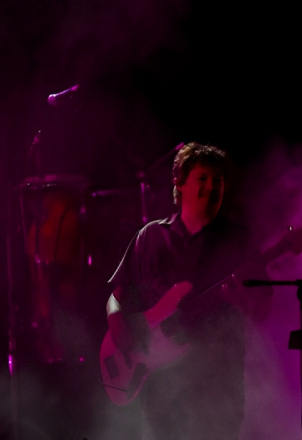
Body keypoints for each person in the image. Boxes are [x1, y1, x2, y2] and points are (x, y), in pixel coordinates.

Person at [104, 142, 272, 440]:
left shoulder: (238, 241)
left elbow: (263, 310)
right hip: (160, 388)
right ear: (179, 183)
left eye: (218, 181)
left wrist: (243, 302)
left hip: (219, 385)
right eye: (203, 179)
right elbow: (117, 295)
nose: (212, 187)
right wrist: (118, 325)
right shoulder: (150, 236)